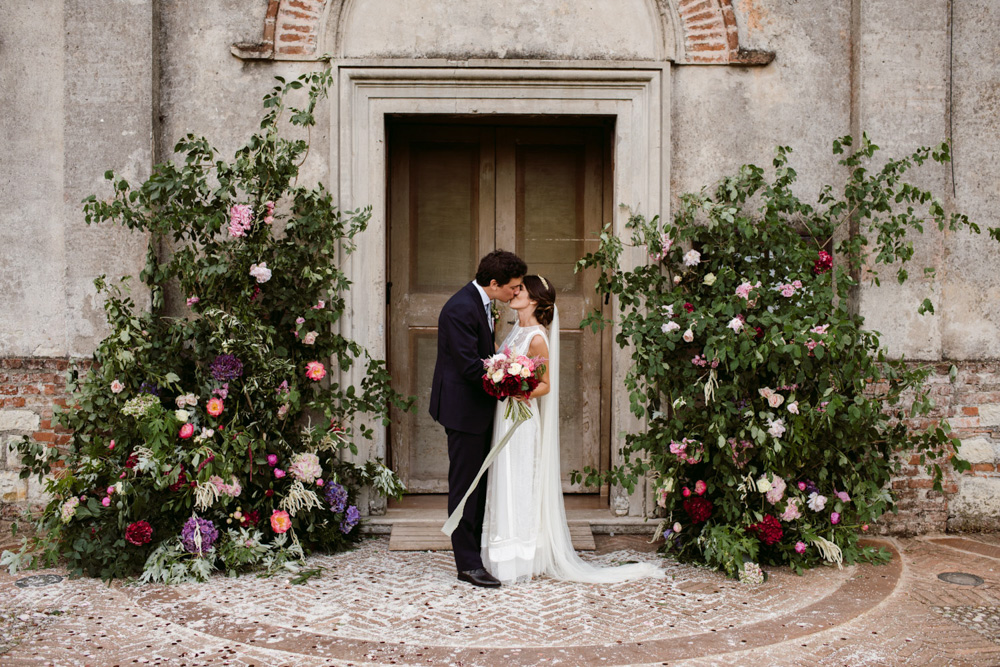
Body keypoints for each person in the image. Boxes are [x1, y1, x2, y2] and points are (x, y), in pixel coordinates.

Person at [482, 275, 665, 584]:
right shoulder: (515, 330)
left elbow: (545, 385)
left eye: (521, 290)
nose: (514, 293)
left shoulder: (537, 337)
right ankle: (505, 554)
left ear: (535, 300)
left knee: (521, 482)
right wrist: (497, 376)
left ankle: (523, 559)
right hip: (505, 415)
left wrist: (514, 387)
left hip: (522, 419)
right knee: (505, 479)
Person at [429, 250, 526, 588]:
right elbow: (472, 367)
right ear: (494, 283)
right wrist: (512, 380)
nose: (516, 292)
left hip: (478, 408)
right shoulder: (459, 308)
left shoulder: (481, 303)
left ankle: (475, 553)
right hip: (463, 410)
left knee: (478, 484)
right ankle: (467, 564)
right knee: (467, 487)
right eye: (512, 287)